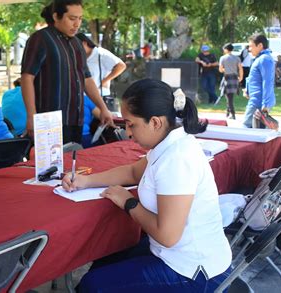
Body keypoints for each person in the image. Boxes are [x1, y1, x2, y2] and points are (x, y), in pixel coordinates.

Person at [62, 79, 232, 292]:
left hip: (193, 270)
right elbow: (133, 171)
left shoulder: (177, 159)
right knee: (106, 260)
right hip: (176, 254)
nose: (128, 132)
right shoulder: (168, 144)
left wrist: (128, 202)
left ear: (155, 122)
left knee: (93, 285)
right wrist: (84, 180)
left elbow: (167, 236)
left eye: (131, 124)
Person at [21, 0, 114, 144]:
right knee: (50, 166)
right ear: (56, 17)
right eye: (72, 19)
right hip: (48, 120)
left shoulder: (77, 43)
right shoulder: (40, 39)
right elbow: (27, 77)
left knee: (73, 163)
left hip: (75, 118)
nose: (77, 24)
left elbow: (87, 79)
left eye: (80, 19)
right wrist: (31, 116)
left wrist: (103, 108)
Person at [76, 33, 126, 111]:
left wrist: (105, 80)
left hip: (101, 97)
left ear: (84, 43)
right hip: (85, 98)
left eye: (77, 48)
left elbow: (121, 66)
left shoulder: (101, 54)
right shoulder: (80, 57)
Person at [243, 34, 276, 128]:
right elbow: (253, 78)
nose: (249, 49)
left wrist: (265, 103)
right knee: (258, 131)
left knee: (246, 128)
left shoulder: (264, 59)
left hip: (259, 101)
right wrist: (247, 90)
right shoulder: (260, 58)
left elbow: (268, 82)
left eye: (251, 46)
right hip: (256, 99)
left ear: (260, 45)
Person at [219, 43, 243, 119]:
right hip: (235, 78)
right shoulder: (237, 58)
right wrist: (241, 77)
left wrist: (224, 70)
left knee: (229, 97)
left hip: (227, 78)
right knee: (229, 97)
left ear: (226, 49)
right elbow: (240, 68)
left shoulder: (222, 58)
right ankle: (228, 112)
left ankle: (232, 114)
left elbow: (220, 69)